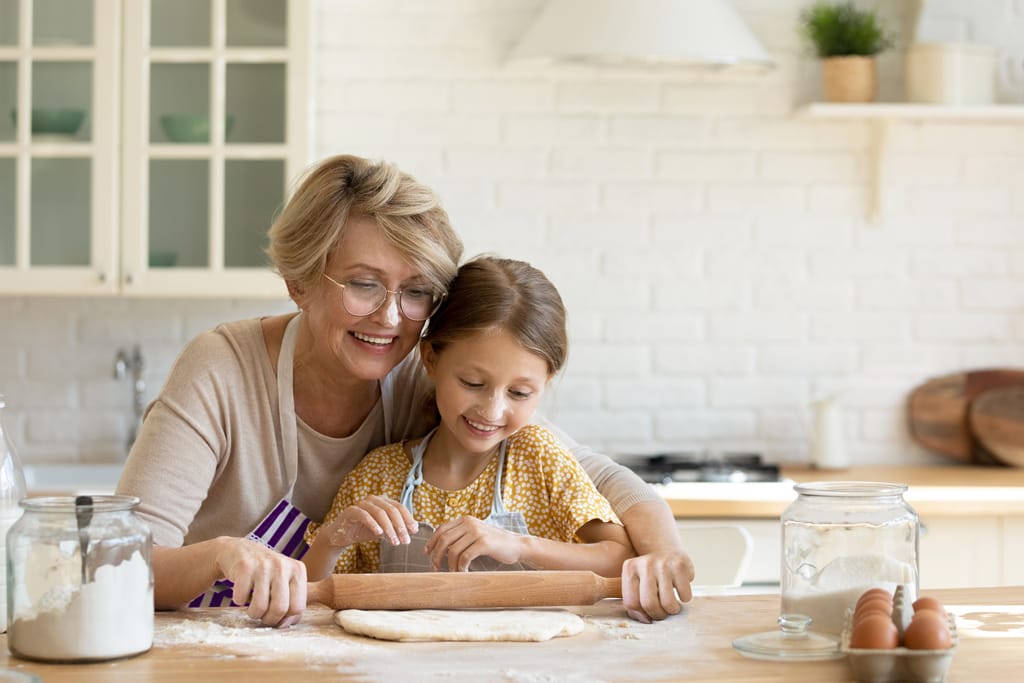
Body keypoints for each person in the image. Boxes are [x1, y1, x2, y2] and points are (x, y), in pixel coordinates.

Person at [115, 153, 694, 628]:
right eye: (364, 285)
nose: (390, 317)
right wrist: (221, 553)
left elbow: (598, 475)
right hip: (207, 648)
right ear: (298, 280)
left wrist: (664, 553)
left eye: (415, 291)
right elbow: (122, 561)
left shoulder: (423, 373)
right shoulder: (221, 371)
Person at [302, 256, 635, 580]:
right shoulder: (379, 475)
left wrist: (520, 547)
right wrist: (333, 540)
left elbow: (620, 558)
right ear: (431, 359)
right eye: (473, 384)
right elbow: (313, 592)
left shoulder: (538, 459)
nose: (492, 410)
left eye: (519, 393)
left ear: (545, 383)